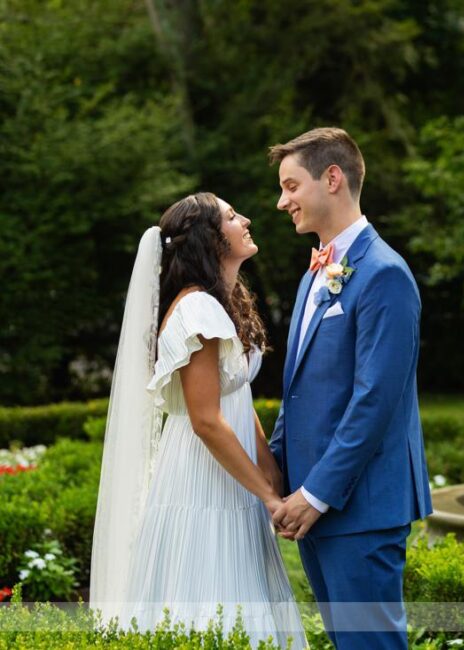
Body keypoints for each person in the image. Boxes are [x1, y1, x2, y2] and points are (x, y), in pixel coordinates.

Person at [90, 193, 307, 649]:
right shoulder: (197, 310)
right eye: (231, 216)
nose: (246, 219)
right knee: (211, 599)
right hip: (202, 480)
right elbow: (206, 420)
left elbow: (239, 401)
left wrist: (273, 478)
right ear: (210, 240)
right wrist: (268, 496)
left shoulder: (224, 303)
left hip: (234, 475)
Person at [267, 127, 432, 650]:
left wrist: (314, 495)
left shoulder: (385, 274)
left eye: (291, 186)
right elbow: (297, 392)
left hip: (359, 506)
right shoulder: (313, 273)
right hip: (316, 506)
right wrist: (272, 478)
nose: (281, 201)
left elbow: (375, 402)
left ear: (332, 178)